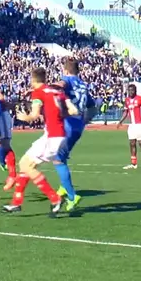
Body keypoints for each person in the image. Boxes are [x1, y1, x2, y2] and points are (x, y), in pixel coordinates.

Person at [2, 68, 77, 216]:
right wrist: (53, 115)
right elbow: (73, 110)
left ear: (33, 79)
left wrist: (26, 118)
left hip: (52, 137)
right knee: (25, 164)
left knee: (25, 165)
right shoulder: (57, 92)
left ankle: (54, 198)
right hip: (58, 134)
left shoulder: (38, 92)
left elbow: (34, 114)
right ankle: (16, 203)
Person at [51, 58, 95, 211]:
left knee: (57, 159)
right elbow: (92, 107)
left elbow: (61, 85)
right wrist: (85, 120)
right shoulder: (83, 85)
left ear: (65, 70)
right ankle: (64, 186)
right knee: (61, 157)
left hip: (68, 125)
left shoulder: (67, 80)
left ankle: (72, 195)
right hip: (78, 126)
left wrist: (48, 88)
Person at [116, 84, 141, 170]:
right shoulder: (127, 100)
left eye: (132, 90)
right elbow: (126, 112)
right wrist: (120, 121)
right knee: (132, 143)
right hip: (132, 125)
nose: (130, 92)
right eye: (129, 90)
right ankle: (133, 164)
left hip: (140, 124)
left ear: (135, 91)